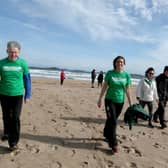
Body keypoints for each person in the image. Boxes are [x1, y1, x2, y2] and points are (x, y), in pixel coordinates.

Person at [0, 41, 31, 151]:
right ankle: (7, 132)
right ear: (7, 51)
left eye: (16, 52)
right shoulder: (1, 63)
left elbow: (27, 80)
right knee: (6, 116)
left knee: (15, 117)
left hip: (17, 94)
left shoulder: (23, 63)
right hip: (3, 94)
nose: (13, 54)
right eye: (11, 52)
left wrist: (27, 94)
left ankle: (13, 142)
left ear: (19, 52)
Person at [97, 56, 131, 153]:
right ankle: (113, 144)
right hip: (109, 100)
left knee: (112, 119)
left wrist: (130, 102)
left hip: (120, 101)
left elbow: (127, 90)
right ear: (115, 63)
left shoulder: (126, 75)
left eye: (122, 62)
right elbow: (104, 87)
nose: (120, 63)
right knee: (113, 121)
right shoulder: (110, 73)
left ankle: (106, 133)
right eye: (118, 62)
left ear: (124, 64)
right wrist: (100, 98)